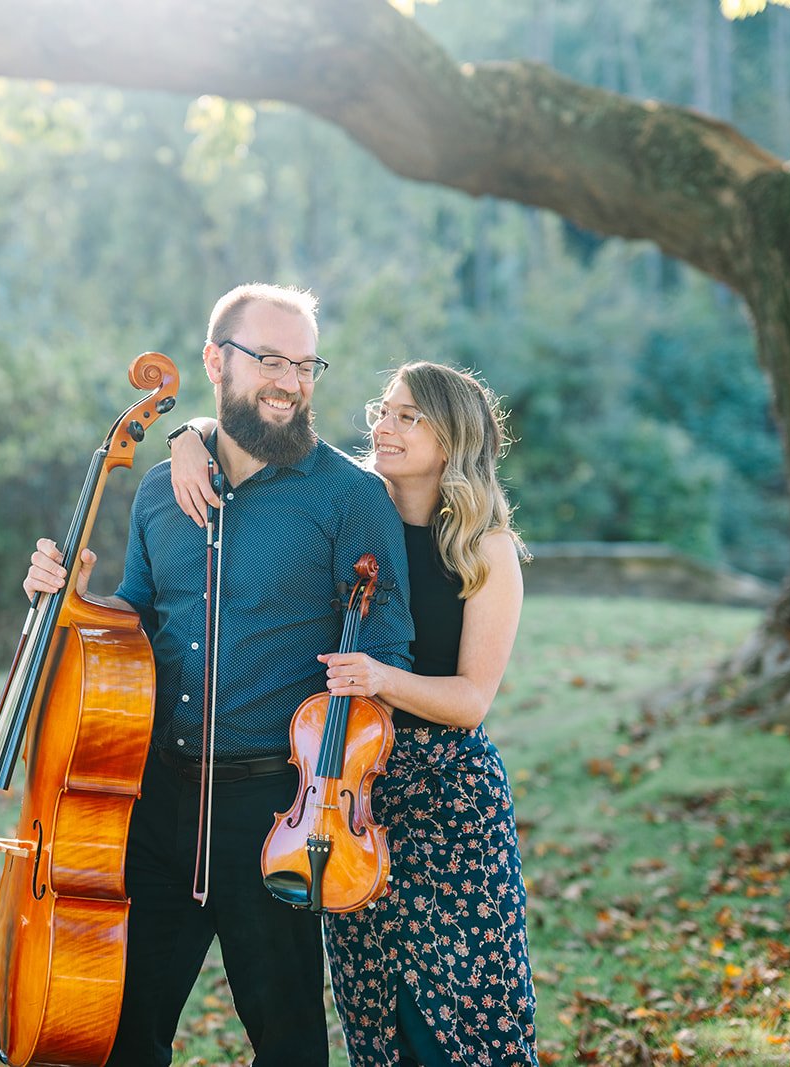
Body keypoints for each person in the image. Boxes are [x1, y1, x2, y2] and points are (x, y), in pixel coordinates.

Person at [22, 283, 414, 1067]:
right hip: (153, 798)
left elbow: (390, 652)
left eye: (305, 364)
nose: (290, 381)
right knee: (119, 1033)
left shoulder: (350, 497)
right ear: (214, 360)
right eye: (270, 358)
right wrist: (65, 601)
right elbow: (132, 624)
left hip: (276, 810)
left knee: (289, 1042)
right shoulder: (162, 491)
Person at [167, 361, 537, 1066]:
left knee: (464, 1012)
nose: (381, 425)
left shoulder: (485, 547)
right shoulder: (347, 504)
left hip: (446, 799)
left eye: (406, 416)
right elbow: (258, 437)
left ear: (451, 436)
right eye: (382, 408)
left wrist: (380, 676)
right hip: (346, 797)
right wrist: (189, 434)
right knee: (375, 1009)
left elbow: (470, 701)